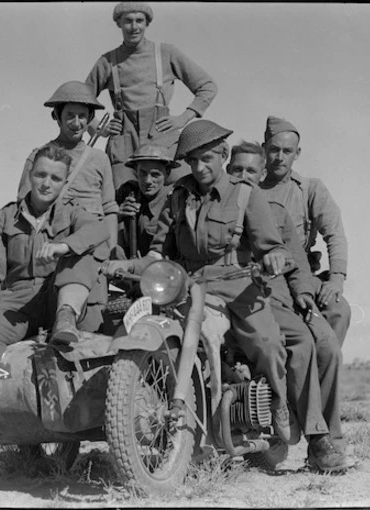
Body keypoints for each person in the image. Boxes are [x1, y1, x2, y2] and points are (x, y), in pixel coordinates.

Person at [105, 119, 296, 444]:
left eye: (205, 158)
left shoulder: (245, 195)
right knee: (159, 336)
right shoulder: (178, 198)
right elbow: (157, 255)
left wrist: (274, 258)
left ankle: (278, 404)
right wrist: (122, 265)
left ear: (222, 154)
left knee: (268, 344)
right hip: (190, 287)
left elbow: (272, 246)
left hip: (238, 287)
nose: (199, 166)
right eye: (192, 160)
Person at [0, 145, 110, 443]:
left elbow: (100, 232)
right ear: (30, 175)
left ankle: (66, 318)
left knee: (80, 256)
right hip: (19, 300)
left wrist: (65, 246)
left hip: (61, 293)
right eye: (41, 175)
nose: (46, 184)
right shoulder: (6, 218)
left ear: (64, 182)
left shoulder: (74, 214)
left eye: (55, 178)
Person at [228, 141, 354, 471]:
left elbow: (297, 262)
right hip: (234, 298)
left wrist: (306, 295)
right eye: (237, 170)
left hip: (276, 296)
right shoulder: (216, 207)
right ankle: (312, 429)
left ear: (261, 174)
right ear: (227, 171)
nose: (243, 178)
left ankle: (320, 437)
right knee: (302, 343)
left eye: (251, 172)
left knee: (322, 345)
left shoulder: (278, 212)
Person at [17, 81, 119, 339]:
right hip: (52, 250)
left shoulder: (99, 159)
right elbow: (25, 207)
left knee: (91, 331)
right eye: (69, 115)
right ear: (57, 117)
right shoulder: (39, 157)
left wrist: (111, 254)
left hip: (93, 253)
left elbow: (109, 209)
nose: (76, 123)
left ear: (90, 119)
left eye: (82, 116)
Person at [85, 1, 218, 190]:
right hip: (124, 141)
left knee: (181, 191)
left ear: (147, 23)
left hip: (162, 136)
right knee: (123, 198)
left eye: (139, 20)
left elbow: (207, 86)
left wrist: (184, 118)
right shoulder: (107, 61)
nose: (134, 27)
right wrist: (99, 128)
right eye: (128, 21)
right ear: (119, 23)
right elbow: (82, 100)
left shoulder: (167, 53)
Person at [259, 116, 352, 347]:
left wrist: (336, 279)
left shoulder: (309, 190)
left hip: (300, 274)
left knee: (338, 310)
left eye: (287, 151)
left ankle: (321, 379)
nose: (280, 157)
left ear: (297, 154)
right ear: (263, 150)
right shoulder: (249, 188)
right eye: (274, 150)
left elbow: (335, 234)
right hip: (258, 274)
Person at [115, 143, 176, 259]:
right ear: (135, 171)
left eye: (155, 175)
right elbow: (98, 226)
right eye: (142, 173)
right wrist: (116, 215)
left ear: (167, 173)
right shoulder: (126, 191)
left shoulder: (174, 199)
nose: (148, 181)